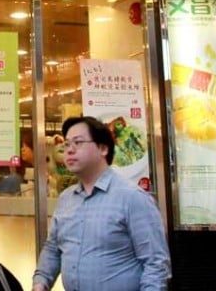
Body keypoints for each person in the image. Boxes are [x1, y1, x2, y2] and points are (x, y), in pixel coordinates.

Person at [32, 116, 170, 291]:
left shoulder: (132, 198)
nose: (69, 150)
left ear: (103, 148)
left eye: (78, 142)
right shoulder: (66, 198)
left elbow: (156, 263)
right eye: (67, 144)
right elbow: (53, 248)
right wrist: (41, 281)